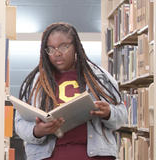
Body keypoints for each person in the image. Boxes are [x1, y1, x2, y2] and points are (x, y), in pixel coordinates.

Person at [15, 22, 127, 160]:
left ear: (76, 47)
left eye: (64, 46)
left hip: (94, 155)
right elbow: (19, 123)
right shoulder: (35, 83)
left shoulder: (99, 77)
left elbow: (122, 115)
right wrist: (37, 131)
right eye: (50, 49)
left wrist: (108, 113)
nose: (57, 53)